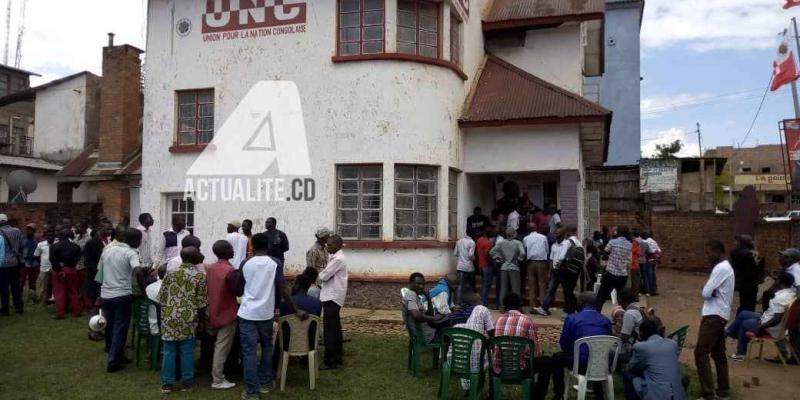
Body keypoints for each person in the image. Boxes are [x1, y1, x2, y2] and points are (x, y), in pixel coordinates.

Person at [235, 233, 304, 400]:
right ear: (268, 246)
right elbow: (283, 288)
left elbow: (238, 288)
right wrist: (296, 309)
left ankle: (252, 392)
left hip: (247, 313)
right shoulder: (275, 263)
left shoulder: (245, 263)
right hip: (266, 314)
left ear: (251, 246)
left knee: (249, 352)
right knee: (267, 347)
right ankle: (266, 383)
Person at [158, 246, 208, 393]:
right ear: (195, 259)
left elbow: (162, 296)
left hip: (169, 316)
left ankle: (167, 384)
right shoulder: (199, 276)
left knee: (169, 351)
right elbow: (201, 303)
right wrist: (202, 321)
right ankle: (187, 383)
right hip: (188, 317)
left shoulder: (170, 273)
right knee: (187, 352)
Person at [550, 292, 613, 400]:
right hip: (603, 363)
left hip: (581, 363)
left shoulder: (572, 318)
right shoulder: (606, 320)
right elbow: (606, 342)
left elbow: (564, 344)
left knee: (556, 358)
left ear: (581, 303)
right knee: (595, 353)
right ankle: (599, 394)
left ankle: (559, 394)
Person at [98, 228, 143, 372]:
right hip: (122, 295)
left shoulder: (107, 250)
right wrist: (144, 289)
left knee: (110, 326)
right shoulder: (131, 252)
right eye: (139, 240)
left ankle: (118, 354)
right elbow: (138, 271)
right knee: (120, 328)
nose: (140, 243)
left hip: (106, 294)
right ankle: (113, 360)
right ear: (133, 240)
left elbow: (101, 272)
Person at [494, 292, 553, 400]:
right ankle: (538, 396)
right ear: (520, 304)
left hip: (499, 367)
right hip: (520, 369)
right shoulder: (528, 321)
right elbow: (535, 352)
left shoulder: (498, 321)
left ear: (504, 305)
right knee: (547, 361)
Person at [695, 239, 734, 400]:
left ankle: (708, 394)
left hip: (714, 316)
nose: (707, 256)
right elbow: (710, 291)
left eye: (709, 253)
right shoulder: (726, 267)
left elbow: (705, 292)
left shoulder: (720, 268)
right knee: (718, 354)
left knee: (700, 352)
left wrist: (709, 291)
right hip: (721, 315)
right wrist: (711, 291)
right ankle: (723, 391)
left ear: (718, 251)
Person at [726, 272, 796, 361]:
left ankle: (740, 353)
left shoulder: (780, 298)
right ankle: (729, 333)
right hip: (774, 323)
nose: (775, 281)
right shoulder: (791, 294)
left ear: (781, 283)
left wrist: (761, 327)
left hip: (770, 328)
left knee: (744, 323)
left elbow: (776, 319)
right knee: (744, 313)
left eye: (777, 280)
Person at [623, 319, 688, 400]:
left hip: (658, 396)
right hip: (678, 396)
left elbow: (631, 368)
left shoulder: (640, 347)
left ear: (641, 333)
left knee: (627, 374)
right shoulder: (673, 344)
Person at [205, 240, 240, 390]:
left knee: (213, 344)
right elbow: (237, 291)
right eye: (231, 248)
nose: (233, 250)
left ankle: (214, 372)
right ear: (226, 252)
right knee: (222, 347)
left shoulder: (210, 268)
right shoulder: (230, 271)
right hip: (227, 312)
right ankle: (217, 379)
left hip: (211, 310)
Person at [453, 291, 494, 394]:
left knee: (465, 353)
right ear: (475, 303)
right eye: (480, 299)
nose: (482, 301)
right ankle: (488, 389)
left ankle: (467, 388)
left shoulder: (457, 326)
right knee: (493, 355)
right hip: (479, 364)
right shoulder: (481, 309)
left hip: (458, 365)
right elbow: (491, 332)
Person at [536, 225, 582, 316]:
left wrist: (559, 265)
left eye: (558, 233)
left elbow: (562, 257)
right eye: (555, 233)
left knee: (567, 291)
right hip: (555, 271)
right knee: (551, 289)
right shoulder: (553, 245)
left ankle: (573, 309)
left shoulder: (567, 243)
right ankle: (544, 308)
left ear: (563, 234)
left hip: (564, 270)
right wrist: (550, 272)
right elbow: (551, 260)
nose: (555, 234)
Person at [319, 234, 347, 370]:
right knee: (335, 328)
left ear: (337, 245)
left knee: (330, 330)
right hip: (332, 295)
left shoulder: (338, 259)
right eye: (327, 244)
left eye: (329, 245)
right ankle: (337, 357)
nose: (327, 246)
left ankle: (330, 361)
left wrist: (321, 273)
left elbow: (324, 275)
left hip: (332, 296)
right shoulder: (334, 257)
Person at [49, 229, 83, 319]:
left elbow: (52, 259)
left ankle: (60, 313)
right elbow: (78, 258)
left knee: (59, 292)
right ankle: (77, 310)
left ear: (60, 236)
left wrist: (59, 269)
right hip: (72, 269)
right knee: (73, 291)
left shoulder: (53, 246)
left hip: (58, 270)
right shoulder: (76, 247)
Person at [596, 226, 633, 312]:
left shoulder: (612, 242)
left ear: (618, 232)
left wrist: (610, 256)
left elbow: (605, 254)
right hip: (622, 276)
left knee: (601, 297)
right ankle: (622, 318)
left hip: (610, 274)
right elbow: (629, 260)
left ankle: (596, 316)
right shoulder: (630, 245)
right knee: (621, 299)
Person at [403, 272, 445, 344]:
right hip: (426, 336)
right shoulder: (411, 294)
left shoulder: (415, 296)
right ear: (410, 283)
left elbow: (430, 314)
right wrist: (434, 318)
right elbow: (416, 315)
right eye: (418, 284)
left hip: (425, 333)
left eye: (423, 284)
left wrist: (428, 298)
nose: (421, 287)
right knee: (450, 335)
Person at [490, 227, 525, 310]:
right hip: (514, 266)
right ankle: (517, 306)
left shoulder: (501, 243)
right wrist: (519, 259)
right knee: (515, 288)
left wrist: (498, 258)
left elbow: (491, 252)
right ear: (514, 234)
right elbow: (523, 253)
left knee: (503, 288)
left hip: (504, 266)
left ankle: (502, 306)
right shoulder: (517, 243)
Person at [729, 235, 762, 314]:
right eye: (751, 241)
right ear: (748, 242)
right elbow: (757, 267)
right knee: (750, 304)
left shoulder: (734, 252)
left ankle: (741, 317)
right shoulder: (751, 253)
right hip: (750, 283)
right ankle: (744, 320)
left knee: (743, 302)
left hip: (740, 281)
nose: (753, 242)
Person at [0, 214, 24, 315]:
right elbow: (21, 246)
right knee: (16, 286)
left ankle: (5, 309)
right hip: (15, 262)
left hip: (3, 264)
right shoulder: (17, 231)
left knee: (4, 287)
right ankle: (19, 308)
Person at [523, 224, 549, 311]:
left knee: (532, 284)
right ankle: (542, 305)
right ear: (536, 228)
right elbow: (547, 250)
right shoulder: (543, 237)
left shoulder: (526, 238)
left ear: (527, 229)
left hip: (530, 262)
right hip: (542, 262)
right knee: (542, 284)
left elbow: (524, 251)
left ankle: (533, 306)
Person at [454, 233, 475, 304]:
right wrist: (474, 258)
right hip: (469, 266)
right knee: (470, 284)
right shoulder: (472, 242)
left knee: (460, 285)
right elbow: (471, 255)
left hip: (460, 266)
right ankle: (471, 301)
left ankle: (458, 302)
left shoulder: (459, 241)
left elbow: (455, 253)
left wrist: (461, 256)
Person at [475, 229, 494, 307]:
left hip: (480, 264)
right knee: (487, 285)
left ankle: (482, 302)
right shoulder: (488, 243)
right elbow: (487, 255)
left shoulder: (479, 240)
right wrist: (492, 261)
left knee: (484, 285)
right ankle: (484, 303)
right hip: (487, 265)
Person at [20, 223, 38, 303]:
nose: (29, 231)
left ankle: (32, 298)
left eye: (31, 229)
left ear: (34, 231)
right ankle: (18, 297)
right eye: (28, 229)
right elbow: (20, 250)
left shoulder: (36, 241)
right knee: (21, 281)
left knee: (32, 282)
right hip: (24, 264)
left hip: (34, 264)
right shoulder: (23, 240)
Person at [632, 229, 649, 297]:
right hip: (644, 260)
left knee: (637, 277)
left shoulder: (634, 242)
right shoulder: (644, 242)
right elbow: (648, 251)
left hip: (637, 261)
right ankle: (647, 291)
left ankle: (638, 292)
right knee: (645, 276)